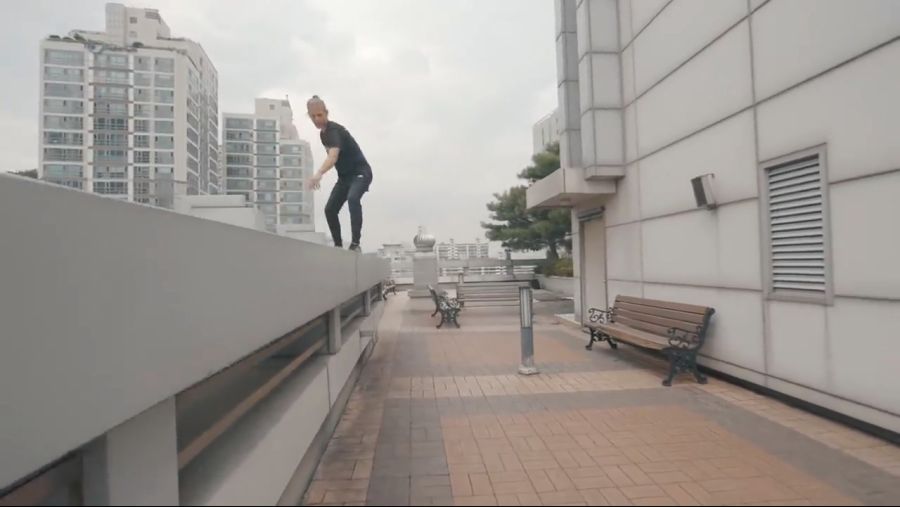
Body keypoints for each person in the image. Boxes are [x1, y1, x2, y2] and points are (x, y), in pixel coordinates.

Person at [306, 95, 373, 252]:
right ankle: (337, 246)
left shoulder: (334, 131)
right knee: (330, 210)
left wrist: (319, 173)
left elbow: (333, 156)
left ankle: (355, 244)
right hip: (345, 178)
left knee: (352, 198)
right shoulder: (323, 135)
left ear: (326, 113)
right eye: (313, 116)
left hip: (360, 173)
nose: (317, 119)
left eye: (319, 115)